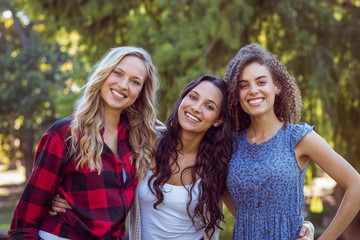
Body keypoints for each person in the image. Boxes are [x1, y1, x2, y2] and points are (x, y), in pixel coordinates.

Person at [50, 75, 314, 240]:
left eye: (209, 106)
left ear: (218, 120)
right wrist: (60, 196)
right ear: (182, 99)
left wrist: (302, 227)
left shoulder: (220, 164)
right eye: (193, 97)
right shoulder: (143, 141)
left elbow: (252, 213)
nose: (196, 108)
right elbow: (99, 164)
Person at [9, 46, 159, 239]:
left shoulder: (139, 138)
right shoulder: (65, 134)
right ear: (104, 74)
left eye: (135, 82)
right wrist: (49, 201)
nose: (123, 85)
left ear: (141, 92)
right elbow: (23, 224)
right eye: (118, 73)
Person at [223, 43, 360, 239]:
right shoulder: (232, 143)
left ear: (277, 86)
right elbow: (221, 187)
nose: (253, 90)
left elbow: (355, 185)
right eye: (244, 85)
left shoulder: (298, 137)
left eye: (261, 82)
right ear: (237, 94)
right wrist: (252, 222)